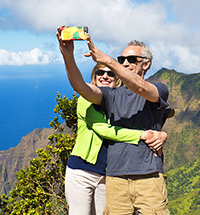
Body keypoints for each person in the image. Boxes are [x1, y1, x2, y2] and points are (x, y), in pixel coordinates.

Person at [57, 26, 170, 214]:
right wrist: (68, 57)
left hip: (148, 177)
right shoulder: (111, 95)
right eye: (121, 59)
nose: (125, 63)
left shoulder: (158, 88)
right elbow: (82, 88)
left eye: (132, 59)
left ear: (147, 64)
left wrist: (108, 61)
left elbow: (142, 89)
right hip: (115, 179)